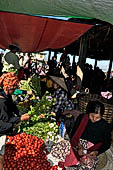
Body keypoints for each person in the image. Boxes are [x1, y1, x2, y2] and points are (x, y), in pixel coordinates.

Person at [49, 100, 111, 170]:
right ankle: (73, 160)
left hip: (91, 150)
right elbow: (74, 133)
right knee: (57, 148)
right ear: (88, 112)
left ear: (101, 116)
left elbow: (107, 143)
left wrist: (97, 152)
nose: (94, 119)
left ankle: (76, 161)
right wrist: (79, 146)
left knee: (88, 165)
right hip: (77, 145)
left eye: (98, 117)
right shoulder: (82, 118)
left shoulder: (105, 126)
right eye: (92, 116)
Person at [0, 72, 30, 170]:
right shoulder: (2, 101)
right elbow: (6, 119)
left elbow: (13, 107)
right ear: (8, 87)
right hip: (1, 127)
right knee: (1, 153)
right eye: (14, 88)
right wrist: (20, 119)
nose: (15, 90)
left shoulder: (6, 95)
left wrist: (21, 114)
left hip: (5, 123)